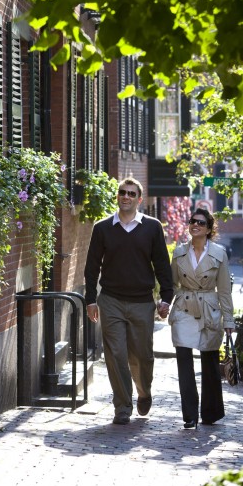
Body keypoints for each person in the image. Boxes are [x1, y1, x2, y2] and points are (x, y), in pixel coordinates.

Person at [84, 177, 173, 425]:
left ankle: (144, 391)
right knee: (115, 354)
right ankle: (122, 406)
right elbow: (91, 268)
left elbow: (162, 265)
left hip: (142, 302)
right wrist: (91, 299)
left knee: (142, 356)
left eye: (131, 194)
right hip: (110, 300)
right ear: (117, 196)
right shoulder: (102, 228)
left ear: (139, 199)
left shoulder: (152, 227)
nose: (126, 196)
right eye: (122, 192)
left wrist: (166, 297)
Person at [168, 208, 235, 429]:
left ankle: (210, 413)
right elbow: (172, 284)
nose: (195, 225)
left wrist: (229, 321)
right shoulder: (179, 252)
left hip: (209, 309)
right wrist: (170, 302)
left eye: (200, 222)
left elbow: (224, 290)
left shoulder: (219, 253)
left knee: (210, 363)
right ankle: (190, 415)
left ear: (208, 229)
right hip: (184, 308)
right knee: (184, 361)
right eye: (192, 221)